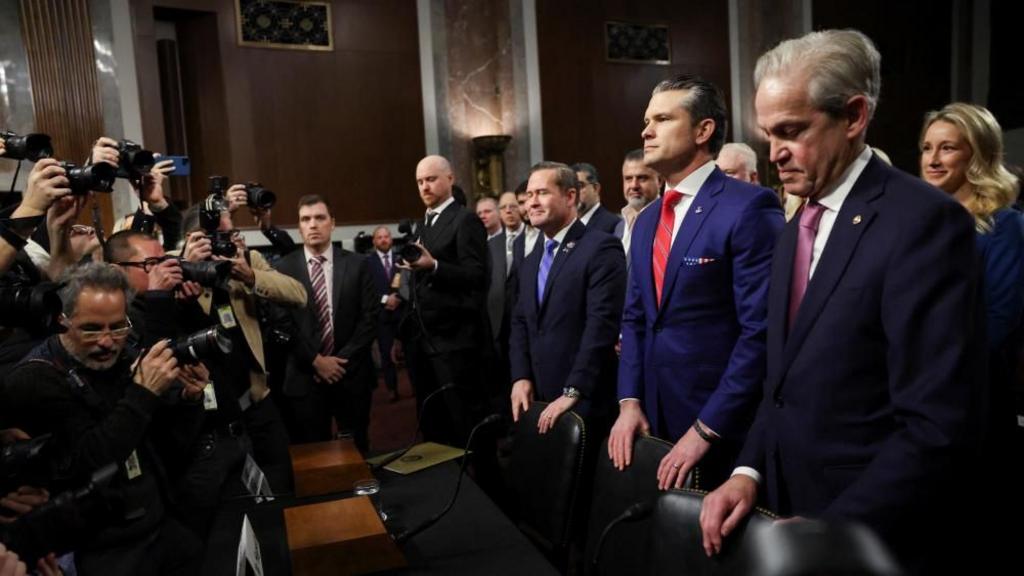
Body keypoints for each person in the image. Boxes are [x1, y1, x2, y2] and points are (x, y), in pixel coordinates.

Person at [699, 30, 985, 575]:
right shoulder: (794, 220)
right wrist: (748, 471)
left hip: (875, 537)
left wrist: (832, 531)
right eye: (767, 134)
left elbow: (937, 425)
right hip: (790, 512)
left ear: (853, 116)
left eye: (791, 131)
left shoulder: (924, 223)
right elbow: (779, 383)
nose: (773, 152)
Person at [610, 75, 784, 491]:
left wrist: (708, 426)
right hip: (653, 418)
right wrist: (629, 400)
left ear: (703, 130)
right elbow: (636, 318)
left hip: (722, 425)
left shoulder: (748, 206)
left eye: (663, 119)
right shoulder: (648, 217)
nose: (645, 131)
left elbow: (761, 331)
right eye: (646, 120)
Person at [1, 263, 203, 576]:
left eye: (117, 327)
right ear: (61, 321)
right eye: (91, 329)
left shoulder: (124, 357)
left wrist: (189, 400)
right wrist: (143, 393)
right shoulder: (35, 379)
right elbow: (87, 462)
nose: (107, 342)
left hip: (159, 524)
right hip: (99, 550)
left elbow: (165, 443)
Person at [920, 102, 1024, 456]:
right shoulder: (917, 227)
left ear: (977, 155)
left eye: (947, 148)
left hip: (974, 400)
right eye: (927, 148)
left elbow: (1000, 319)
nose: (932, 160)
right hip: (914, 400)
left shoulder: (1006, 226)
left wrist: (937, 374)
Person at [509, 161, 626, 429]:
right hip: (539, 396)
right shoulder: (531, 258)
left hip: (586, 399)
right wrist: (520, 376)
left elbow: (601, 326)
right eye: (529, 195)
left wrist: (574, 390)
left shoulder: (600, 247)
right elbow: (520, 322)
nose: (532, 203)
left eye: (542, 193)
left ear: (570, 196)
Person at [275, 195, 379, 450]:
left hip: (351, 374)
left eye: (320, 218)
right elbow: (282, 324)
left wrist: (338, 362)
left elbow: (370, 319)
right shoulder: (282, 270)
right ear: (299, 227)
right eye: (305, 219)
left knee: (357, 451)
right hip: (304, 377)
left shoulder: (359, 265)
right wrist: (316, 361)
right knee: (312, 457)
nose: (313, 225)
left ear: (332, 223)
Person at [399, 155, 488, 445]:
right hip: (424, 340)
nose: (425, 186)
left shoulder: (466, 220)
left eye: (431, 179)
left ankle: (483, 487)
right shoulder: (421, 224)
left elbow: (476, 276)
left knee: (466, 424)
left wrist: (434, 266)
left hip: (455, 341)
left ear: (450, 179)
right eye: (420, 181)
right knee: (434, 427)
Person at [367, 225, 402, 402]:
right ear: (374, 241)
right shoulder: (367, 263)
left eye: (386, 236)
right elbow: (367, 291)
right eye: (379, 237)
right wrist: (384, 299)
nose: (383, 240)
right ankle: (392, 388)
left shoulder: (401, 260)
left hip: (403, 315)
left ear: (391, 239)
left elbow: (408, 284)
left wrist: (399, 298)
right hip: (382, 317)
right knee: (386, 354)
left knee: (410, 354)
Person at [618, 149, 662, 266]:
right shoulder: (619, 225)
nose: (634, 185)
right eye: (628, 178)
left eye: (642, 178)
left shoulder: (667, 222)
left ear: (660, 181)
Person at [572, 162, 622, 234]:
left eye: (579, 186)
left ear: (596, 188)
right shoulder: (566, 224)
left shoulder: (613, 225)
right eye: (571, 187)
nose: (575, 192)